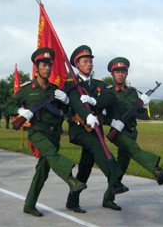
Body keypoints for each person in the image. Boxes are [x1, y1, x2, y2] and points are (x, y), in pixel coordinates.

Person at [8, 47, 86, 217]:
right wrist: (20, 112)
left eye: (49, 65)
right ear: (37, 66)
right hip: (37, 132)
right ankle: (71, 180)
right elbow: (8, 106)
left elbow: (64, 111)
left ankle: (29, 204)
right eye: (43, 64)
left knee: (42, 171)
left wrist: (65, 101)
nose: (47, 68)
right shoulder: (27, 89)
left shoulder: (54, 90)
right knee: (51, 154)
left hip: (54, 134)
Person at [102, 57, 163, 210]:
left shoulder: (133, 92)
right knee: (135, 150)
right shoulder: (108, 93)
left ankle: (108, 198)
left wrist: (144, 104)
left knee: (121, 165)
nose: (120, 74)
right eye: (117, 72)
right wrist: (112, 122)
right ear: (112, 74)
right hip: (118, 133)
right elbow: (101, 115)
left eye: (123, 72)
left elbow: (141, 113)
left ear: (126, 74)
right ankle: (156, 171)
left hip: (132, 131)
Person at [65, 45, 128, 213]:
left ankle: (72, 201)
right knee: (99, 146)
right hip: (79, 129)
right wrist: (87, 115)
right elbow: (76, 103)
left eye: (91, 61)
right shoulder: (71, 85)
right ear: (77, 64)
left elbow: (109, 98)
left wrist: (93, 101)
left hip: (95, 129)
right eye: (85, 61)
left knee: (85, 168)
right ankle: (115, 180)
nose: (89, 64)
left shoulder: (99, 84)